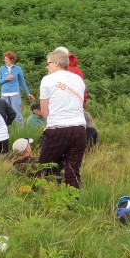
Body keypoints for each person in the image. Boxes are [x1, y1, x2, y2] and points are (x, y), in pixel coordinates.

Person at [37, 49, 88, 188]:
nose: (46, 67)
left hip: (58, 129)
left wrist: (50, 124)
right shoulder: (78, 79)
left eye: (48, 64)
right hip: (79, 129)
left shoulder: (47, 80)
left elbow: (44, 110)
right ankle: (72, 205)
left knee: (43, 167)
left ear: (56, 63)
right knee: (73, 171)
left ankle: (38, 200)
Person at [0, 51, 33, 126]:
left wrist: (28, 93)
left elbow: (22, 82)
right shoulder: (1, 68)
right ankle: (6, 131)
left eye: (7, 59)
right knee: (5, 113)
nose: (5, 61)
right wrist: (6, 79)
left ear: (12, 60)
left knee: (17, 113)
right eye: (5, 59)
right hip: (4, 94)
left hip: (15, 93)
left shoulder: (18, 69)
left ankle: (21, 131)